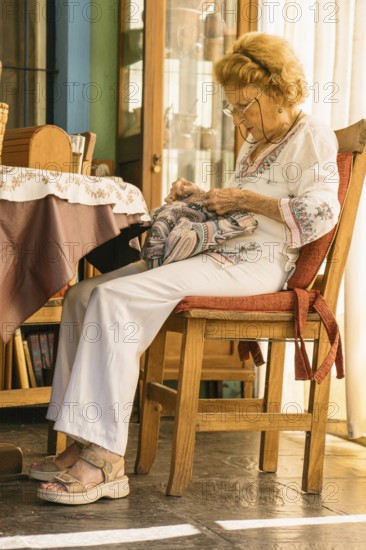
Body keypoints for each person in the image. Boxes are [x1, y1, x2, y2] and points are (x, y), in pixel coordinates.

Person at [30, 32, 340, 505]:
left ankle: (106, 459)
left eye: (245, 107)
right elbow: (241, 210)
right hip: (222, 253)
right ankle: (79, 440)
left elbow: (322, 213)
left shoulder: (311, 135)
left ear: (278, 92)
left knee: (114, 301)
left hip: (258, 264)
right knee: (83, 295)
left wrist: (243, 198)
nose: (239, 121)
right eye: (232, 109)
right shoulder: (256, 144)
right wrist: (202, 196)